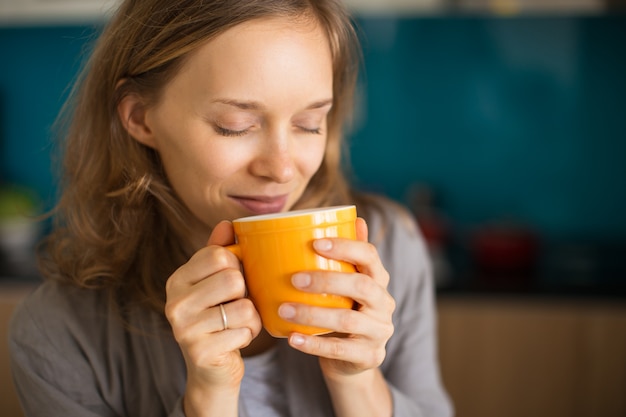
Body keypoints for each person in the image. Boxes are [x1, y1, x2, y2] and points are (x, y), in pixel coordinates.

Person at [8, 0, 453, 416]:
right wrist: (207, 397)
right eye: (234, 127)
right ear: (141, 117)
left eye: (309, 123)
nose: (281, 170)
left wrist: (358, 381)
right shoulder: (58, 334)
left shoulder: (388, 245)